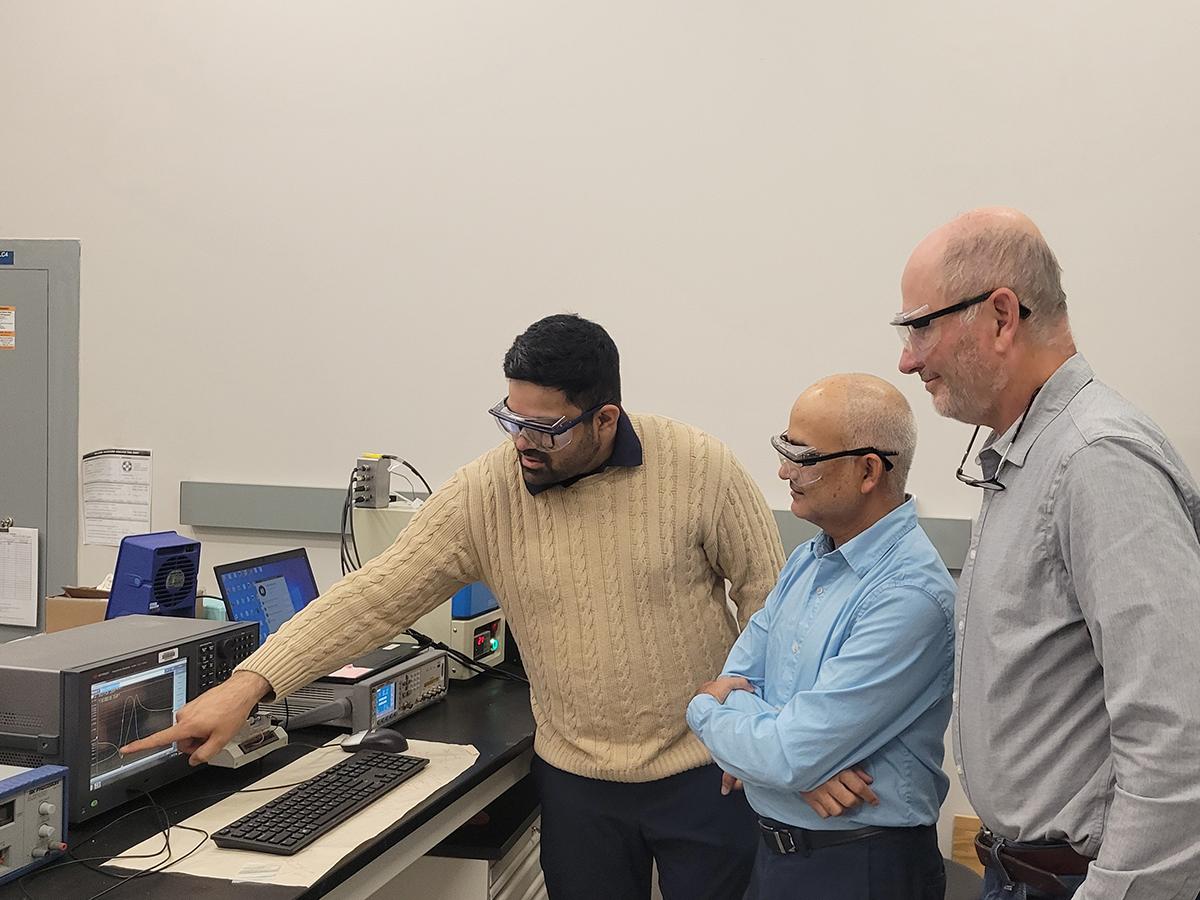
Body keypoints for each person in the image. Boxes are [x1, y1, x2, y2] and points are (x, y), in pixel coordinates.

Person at [123, 313, 786, 900]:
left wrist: (759, 723)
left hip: (705, 771)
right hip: (577, 781)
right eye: (509, 418)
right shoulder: (486, 492)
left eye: (542, 428)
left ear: (605, 418)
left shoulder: (701, 468)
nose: (521, 440)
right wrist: (251, 682)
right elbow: (376, 594)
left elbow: (770, 601)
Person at [895, 208, 1200, 899]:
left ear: (1001, 316)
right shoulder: (1029, 458)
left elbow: (1179, 739)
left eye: (921, 326)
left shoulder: (1097, 461)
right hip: (1021, 876)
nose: (908, 358)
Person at [687, 373, 955, 900]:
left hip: (861, 868)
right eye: (784, 449)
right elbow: (742, 682)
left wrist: (703, 709)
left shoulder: (908, 595)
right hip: (777, 857)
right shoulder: (806, 561)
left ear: (868, 470)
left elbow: (789, 750)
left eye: (804, 457)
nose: (784, 470)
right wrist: (790, 762)